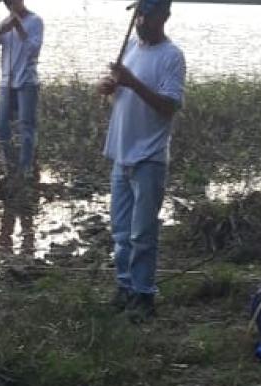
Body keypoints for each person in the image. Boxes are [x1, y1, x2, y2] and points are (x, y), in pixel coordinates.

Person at [97, 0, 185, 322]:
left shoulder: (172, 56)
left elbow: (169, 106)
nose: (141, 21)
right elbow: (116, 93)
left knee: (142, 234)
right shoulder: (131, 47)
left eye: (148, 14)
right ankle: (125, 288)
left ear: (165, 16)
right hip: (121, 154)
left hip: (150, 157)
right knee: (121, 233)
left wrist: (131, 81)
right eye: (138, 14)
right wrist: (107, 86)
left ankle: (144, 295)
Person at [0, 0, 43, 179]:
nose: (10, 6)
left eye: (12, 2)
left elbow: (33, 50)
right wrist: (0, 30)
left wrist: (20, 29)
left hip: (27, 83)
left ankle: (25, 170)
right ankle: (11, 167)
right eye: (7, 3)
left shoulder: (35, 21)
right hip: (7, 83)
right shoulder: (6, 23)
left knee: (26, 127)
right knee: (1, 126)